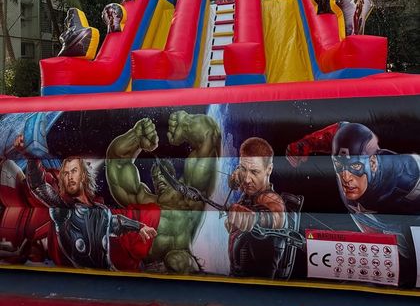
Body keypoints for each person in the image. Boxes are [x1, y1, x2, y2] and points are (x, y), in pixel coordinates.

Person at [285, 122, 420, 261]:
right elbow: (341, 132)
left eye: (355, 166)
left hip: (400, 227)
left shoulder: (405, 172)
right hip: (369, 224)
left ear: (373, 163)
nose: (346, 177)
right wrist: (307, 143)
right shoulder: (347, 144)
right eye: (339, 165)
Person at [106, 111, 220, 274]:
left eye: (163, 174)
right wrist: (135, 137)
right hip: (148, 269)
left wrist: (185, 123)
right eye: (155, 177)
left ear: (173, 176)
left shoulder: (187, 197)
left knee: (176, 261)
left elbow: (209, 135)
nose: (158, 179)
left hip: (183, 264)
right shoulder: (145, 201)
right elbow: (116, 163)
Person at [20, 150, 157, 271]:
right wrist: (30, 155)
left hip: (108, 275)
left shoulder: (101, 211)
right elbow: (38, 186)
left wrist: (139, 227)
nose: (69, 177)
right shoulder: (63, 209)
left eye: (74, 171)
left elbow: (115, 222)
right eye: (66, 173)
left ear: (84, 175)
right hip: (80, 280)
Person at [226, 137, 303, 279]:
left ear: (269, 170)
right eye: (243, 169)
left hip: (256, 286)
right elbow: (238, 178)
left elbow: (277, 216)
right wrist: (235, 177)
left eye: (254, 172)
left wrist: (254, 218)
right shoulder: (250, 187)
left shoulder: (270, 198)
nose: (247, 179)